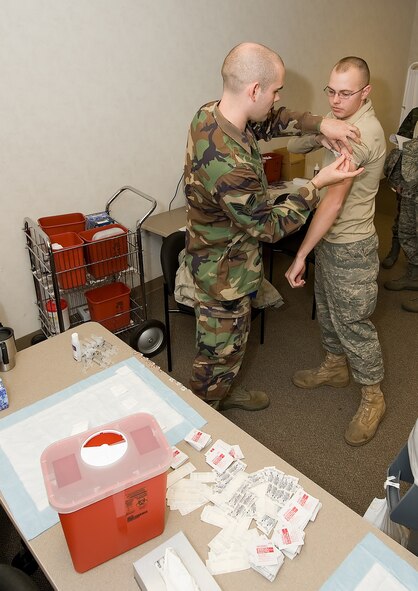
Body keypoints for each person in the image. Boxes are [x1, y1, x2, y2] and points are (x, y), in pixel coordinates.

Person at [184, 43, 363, 412]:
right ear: (253, 90)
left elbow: (271, 120)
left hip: (223, 259)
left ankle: (225, 388)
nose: (278, 97)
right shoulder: (228, 163)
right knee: (216, 354)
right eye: (275, 90)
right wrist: (317, 185)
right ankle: (204, 414)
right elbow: (269, 227)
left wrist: (319, 125)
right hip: (223, 276)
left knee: (230, 346)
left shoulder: (210, 114)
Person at [285, 56, 386, 446]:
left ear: (366, 92)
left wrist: (299, 254)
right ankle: (334, 366)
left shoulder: (363, 133)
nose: (336, 100)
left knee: (355, 325)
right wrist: (320, 133)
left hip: (352, 248)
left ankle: (373, 397)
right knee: (327, 312)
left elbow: (332, 203)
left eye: (346, 93)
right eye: (332, 91)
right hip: (331, 241)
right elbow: (295, 144)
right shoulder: (339, 118)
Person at [383, 107, 418, 312]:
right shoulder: (415, 113)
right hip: (410, 187)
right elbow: (401, 143)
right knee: (407, 230)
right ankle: (414, 274)